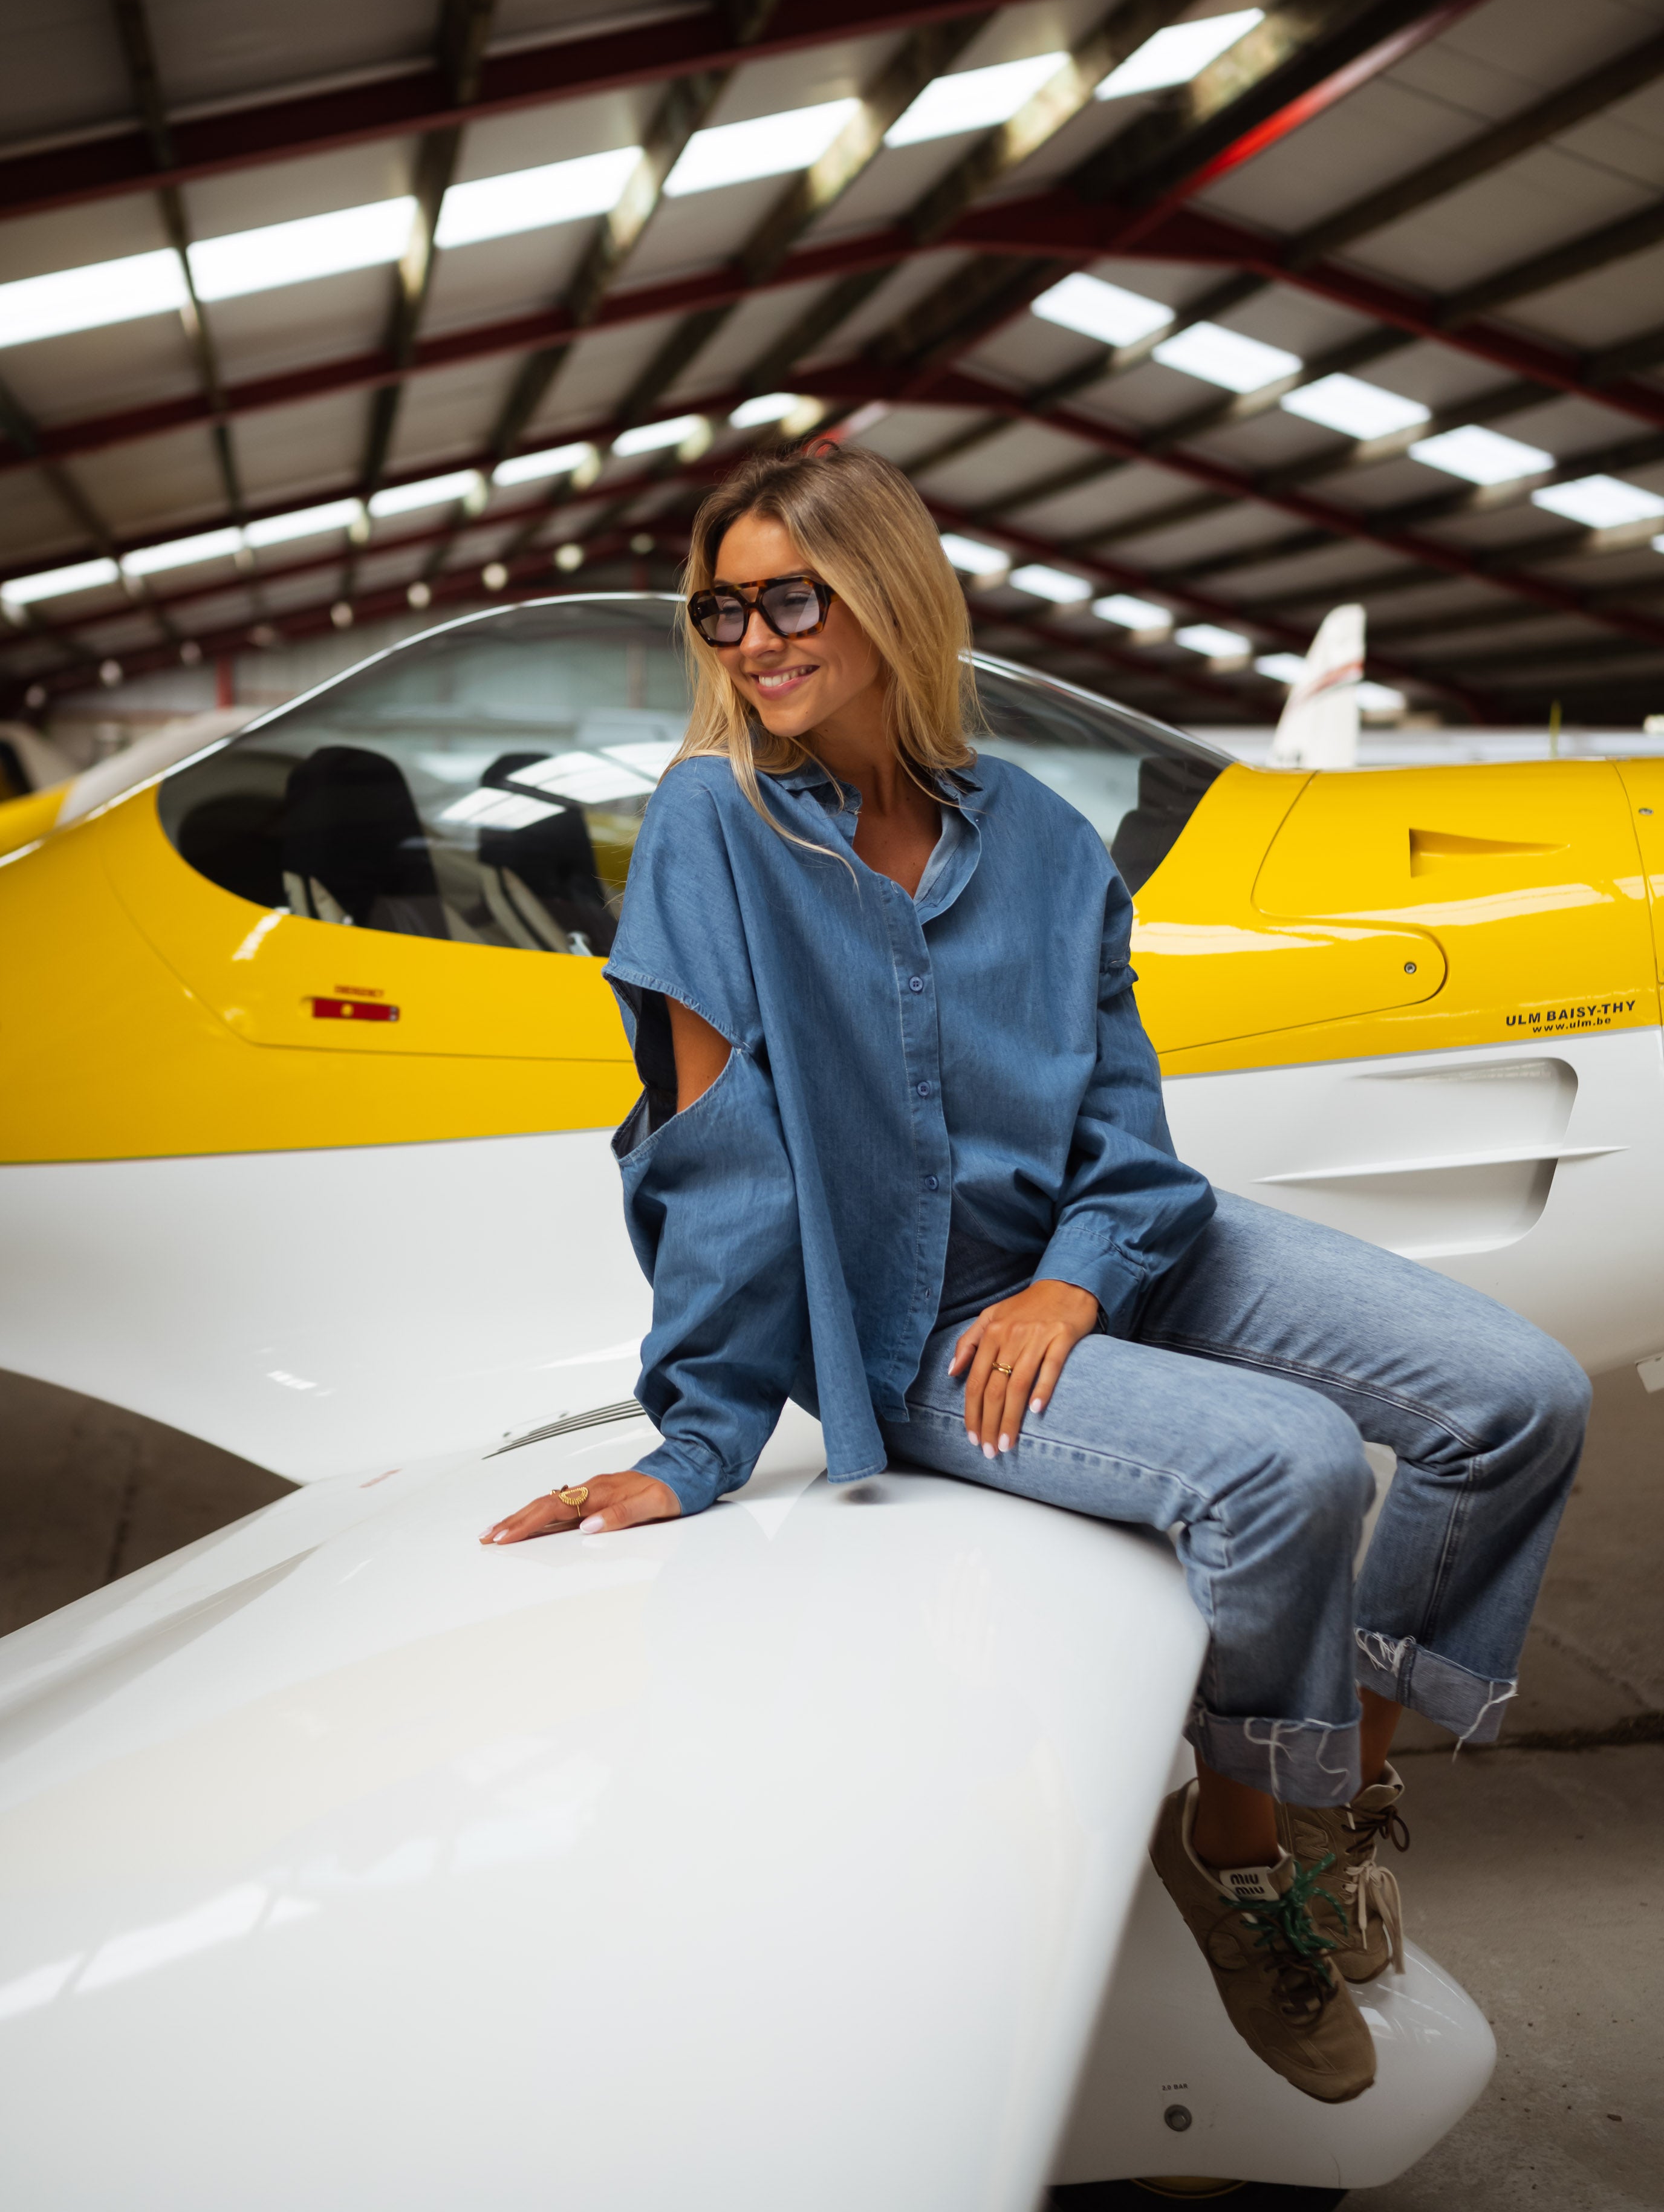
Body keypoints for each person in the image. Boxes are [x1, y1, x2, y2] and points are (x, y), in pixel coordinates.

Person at [483, 445, 1589, 2103]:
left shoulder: (1052, 847)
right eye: (725, 609)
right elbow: (717, 1165)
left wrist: (1077, 1279)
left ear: (890, 595)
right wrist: (693, 1443)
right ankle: (1233, 1854)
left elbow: (1128, 1132)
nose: (757, 641)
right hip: (917, 1322)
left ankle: (1343, 1802)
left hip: (1118, 1245)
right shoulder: (711, 831)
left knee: (1519, 1397)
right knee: (1283, 1467)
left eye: (796, 596)